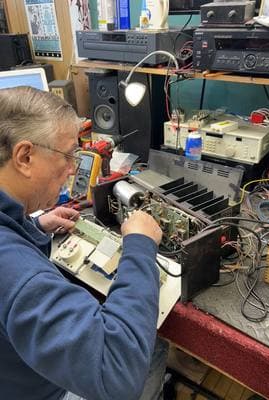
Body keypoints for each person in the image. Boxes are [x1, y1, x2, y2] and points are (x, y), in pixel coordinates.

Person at [0, 86, 168, 400]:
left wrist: (34, 227)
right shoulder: (17, 272)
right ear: (24, 156)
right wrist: (141, 248)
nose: (73, 168)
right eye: (68, 155)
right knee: (153, 350)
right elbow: (116, 372)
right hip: (40, 392)